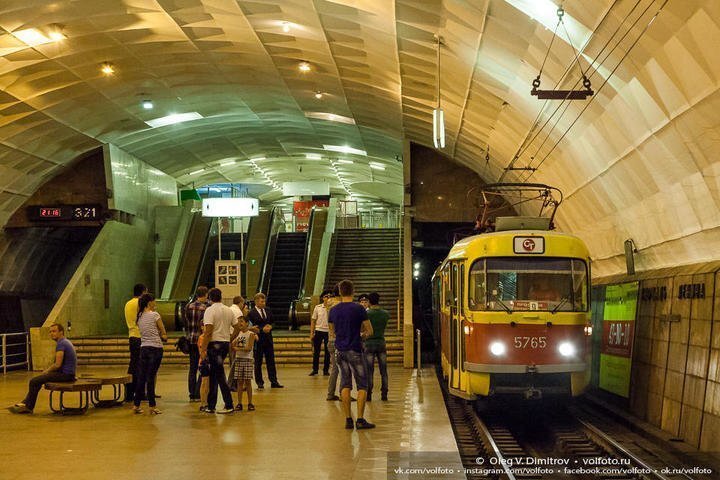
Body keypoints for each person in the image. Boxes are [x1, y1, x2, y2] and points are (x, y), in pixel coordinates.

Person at [329, 279, 375, 429]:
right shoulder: (359, 309)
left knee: (345, 383)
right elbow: (370, 331)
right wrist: (361, 335)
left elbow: (332, 332)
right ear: (353, 291)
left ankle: (348, 419)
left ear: (340, 292)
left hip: (340, 351)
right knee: (362, 385)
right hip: (355, 349)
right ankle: (360, 420)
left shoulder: (333, 310)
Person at [12, 323, 76, 414]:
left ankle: (29, 407)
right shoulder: (65, 342)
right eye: (50, 332)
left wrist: (47, 371)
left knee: (34, 381)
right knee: (37, 381)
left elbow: (57, 364)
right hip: (68, 374)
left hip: (66, 375)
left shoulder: (61, 344)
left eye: (54, 331)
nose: (51, 334)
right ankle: (25, 403)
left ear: (61, 332)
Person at [200, 287, 239, 414]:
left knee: (220, 375)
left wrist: (203, 348)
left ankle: (229, 404)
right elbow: (237, 327)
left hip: (214, 344)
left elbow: (208, 331)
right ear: (221, 297)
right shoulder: (228, 310)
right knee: (214, 373)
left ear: (210, 298)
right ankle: (211, 405)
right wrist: (230, 338)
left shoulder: (210, 311)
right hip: (224, 344)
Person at [133, 293, 167, 415]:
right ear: (149, 303)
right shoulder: (155, 315)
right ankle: (152, 406)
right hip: (156, 348)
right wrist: (162, 335)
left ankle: (136, 405)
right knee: (151, 377)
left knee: (142, 377)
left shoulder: (140, 316)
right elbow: (164, 333)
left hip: (144, 348)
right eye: (154, 301)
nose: (155, 303)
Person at [248, 293, 283, 389]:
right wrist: (261, 329)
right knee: (258, 362)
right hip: (258, 340)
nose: (263, 303)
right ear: (256, 301)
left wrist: (271, 326)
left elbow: (274, 322)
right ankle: (259, 382)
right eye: (261, 301)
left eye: (264, 301)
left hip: (268, 339)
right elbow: (251, 327)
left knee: (271, 361)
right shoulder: (251, 313)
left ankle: (274, 381)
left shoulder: (268, 310)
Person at [185, 286, 210, 402]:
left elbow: (186, 322)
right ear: (205, 295)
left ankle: (191, 394)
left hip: (190, 339)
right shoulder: (205, 308)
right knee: (202, 366)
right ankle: (197, 392)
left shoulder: (188, 306)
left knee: (192, 368)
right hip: (200, 340)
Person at [363, 292, 389, 402]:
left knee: (369, 371)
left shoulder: (366, 314)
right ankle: (384, 394)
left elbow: (363, 328)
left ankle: (369, 394)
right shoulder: (385, 313)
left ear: (369, 301)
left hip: (369, 344)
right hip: (381, 343)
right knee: (383, 370)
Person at [124, 283, 147, 402]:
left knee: (133, 364)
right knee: (140, 366)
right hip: (140, 336)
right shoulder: (140, 304)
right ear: (143, 292)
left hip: (131, 335)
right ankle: (140, 392)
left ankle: (129, 392)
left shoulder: (128, 303)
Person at [231, 317, 256, 411]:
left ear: (247, 323)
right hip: (239, 359)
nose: (239, 323)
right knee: (239, 382)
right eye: (238, 322)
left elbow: (249, 348)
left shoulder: (251, 334)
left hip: (247, 359)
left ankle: (250, 402)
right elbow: (233, 343)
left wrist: (238, 349)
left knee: (248, 382)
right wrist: (233, 343)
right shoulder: (239, 334)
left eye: (241, 321)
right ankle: (239, 403)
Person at [309, 289, 332, 376]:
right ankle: (315, 369)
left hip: (328, 332)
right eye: (326, 296)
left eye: (330, 296)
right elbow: (313, 320)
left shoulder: (333, 308)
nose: (328, 298)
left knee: (328, 351)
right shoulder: (318, 307)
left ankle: (326, 370)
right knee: (316, 351)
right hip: (318, 331)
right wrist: (311, 332)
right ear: (323, 298)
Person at [197, 325, 211, 412]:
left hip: (209, 361)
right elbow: (202, 351)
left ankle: (206, 402)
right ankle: (203, 403)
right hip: (204, 362)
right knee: (204, 383)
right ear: (202, 327)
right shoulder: (202, 338)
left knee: (208, 384)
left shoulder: (209, 337)